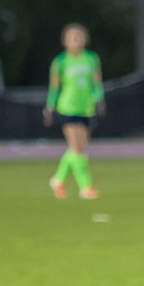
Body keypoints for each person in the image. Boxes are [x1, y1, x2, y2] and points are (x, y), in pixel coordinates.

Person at [44, 23, 103, 200]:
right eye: (72, 37)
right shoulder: (60, 61)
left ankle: (58, 179)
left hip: (86, 108)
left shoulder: (91, 59)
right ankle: (86, 187)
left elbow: (97, 83)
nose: (76, 40)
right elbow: (54, 87)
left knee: (78, 149)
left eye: (79, 36)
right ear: (65, 41)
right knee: (77, 149)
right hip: (67, 107)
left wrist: (99, 99)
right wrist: (50, 106)